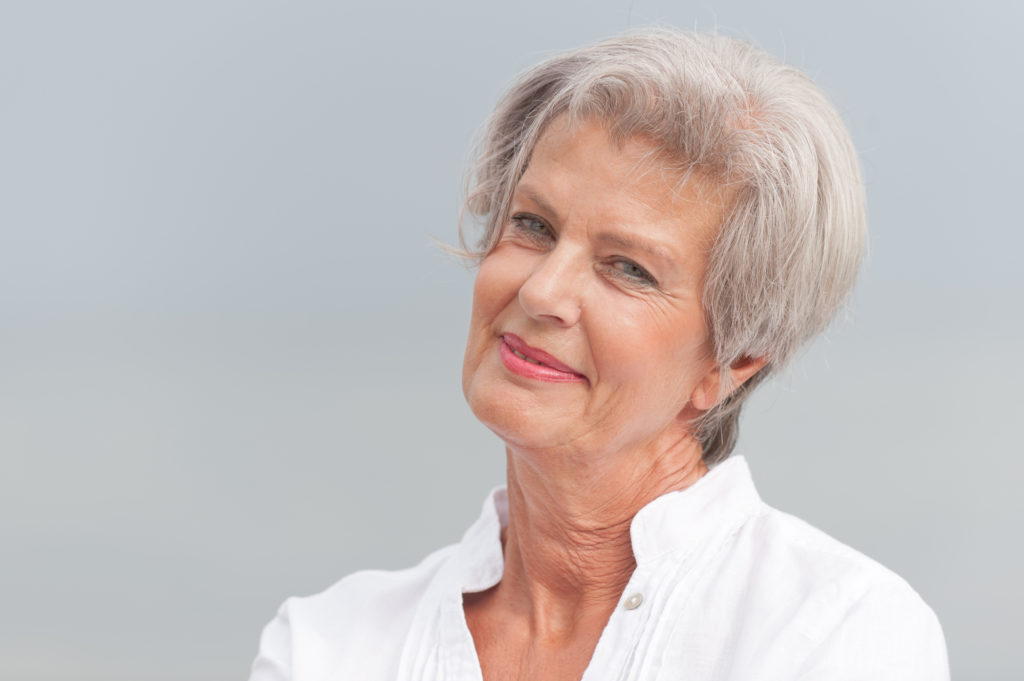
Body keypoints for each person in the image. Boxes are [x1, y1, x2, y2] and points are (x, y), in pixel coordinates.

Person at [248, 29, 949, 680]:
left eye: (628, 268)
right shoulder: (327, 645)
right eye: (532, 225)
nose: (542, 289)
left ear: (734, 359)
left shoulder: (834, 635)